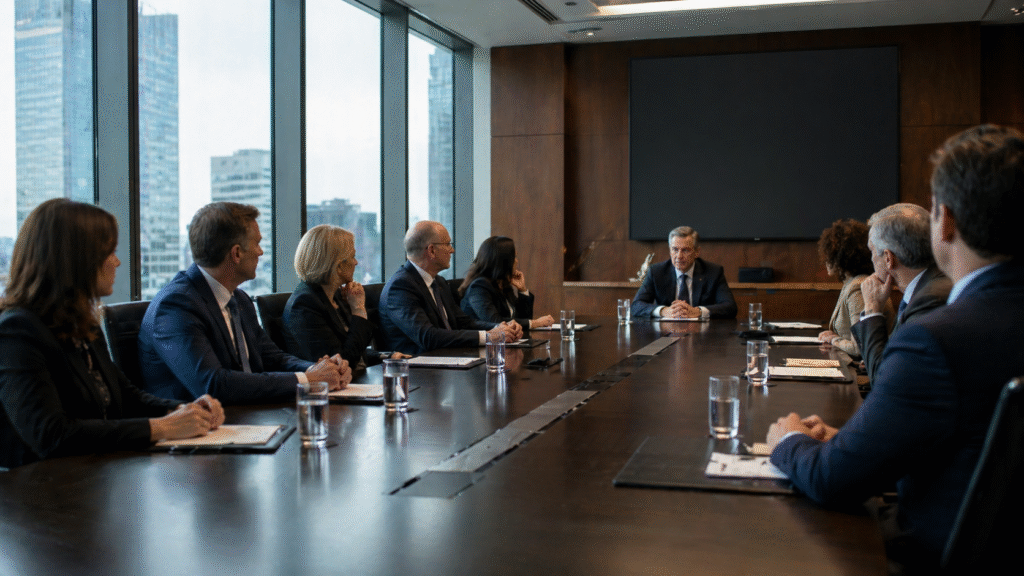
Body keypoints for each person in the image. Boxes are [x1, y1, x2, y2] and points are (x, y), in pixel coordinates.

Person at [767, 124, 1024, 571]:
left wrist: (788, 440)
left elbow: (831, 480)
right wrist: (854, 439)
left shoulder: (935, 340)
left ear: (945, 223)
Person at [0, 199, 225, 469]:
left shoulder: (82, 322)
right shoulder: (17, 332)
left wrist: (184, 410)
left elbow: (125, 396)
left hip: (89, 481)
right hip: (38, 497)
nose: (117, 261)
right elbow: (50, 435)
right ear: (75, 260)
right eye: (109, 252)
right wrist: (160, 428)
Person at [139, 202, 350, 404]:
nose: (261, 252)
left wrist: (320, 368)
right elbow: (212, 384)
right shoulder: (176, 306)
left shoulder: (238, 299)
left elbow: (271, 357)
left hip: (249, 418)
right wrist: (307, 380)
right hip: (202, 433)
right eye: (257, 243)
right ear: (237, 253)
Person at [379, 221, 522, 355]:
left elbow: (464, 322)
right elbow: (427, 336)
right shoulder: (400, 287)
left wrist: (499, 327)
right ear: (432, 250)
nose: (452, 250)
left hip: (450, 358)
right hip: (417, 370)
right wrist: (488, 336)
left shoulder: (439, 282)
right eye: (447, 244)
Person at [850, 204, 952, 383]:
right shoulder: (926, 286)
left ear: (888, 258)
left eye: (872, 251)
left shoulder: (929, 299)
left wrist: (872, 309)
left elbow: (884, 378)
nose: (872, 259)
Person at [283, 224, 405, 368]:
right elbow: (342, 362)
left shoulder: (334, 295)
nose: (356, 262)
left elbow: (353, 349)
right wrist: (358, 311)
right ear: (339, 266)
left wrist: (387, 356)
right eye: (352, 256)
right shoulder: (304, 305)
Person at [815, 218, 891, 356]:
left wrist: (834, 339)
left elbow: (859, 348)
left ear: (842, 255)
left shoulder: (858, 287)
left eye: (830, 253)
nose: (825, 259)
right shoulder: (851, 283)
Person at [630, 226, 737, 319]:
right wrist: (664, 311)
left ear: (697, 252)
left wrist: (698, 311)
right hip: (665, 333)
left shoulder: (713, 272)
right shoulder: (656, 272)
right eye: (675, 249)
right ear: (670, 250)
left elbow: (730, 307)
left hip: (702, 335)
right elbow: (636, 306)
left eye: (685, 250)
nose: (679, 256)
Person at [458, 236, 554, 332]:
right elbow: (495, 321)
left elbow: (522, 319)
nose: (517, 261)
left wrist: (522, 290)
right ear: (503, 261)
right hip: (483, 345)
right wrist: (535, 323)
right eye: (514, 257)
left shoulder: (502, 284)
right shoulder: (479, 286)